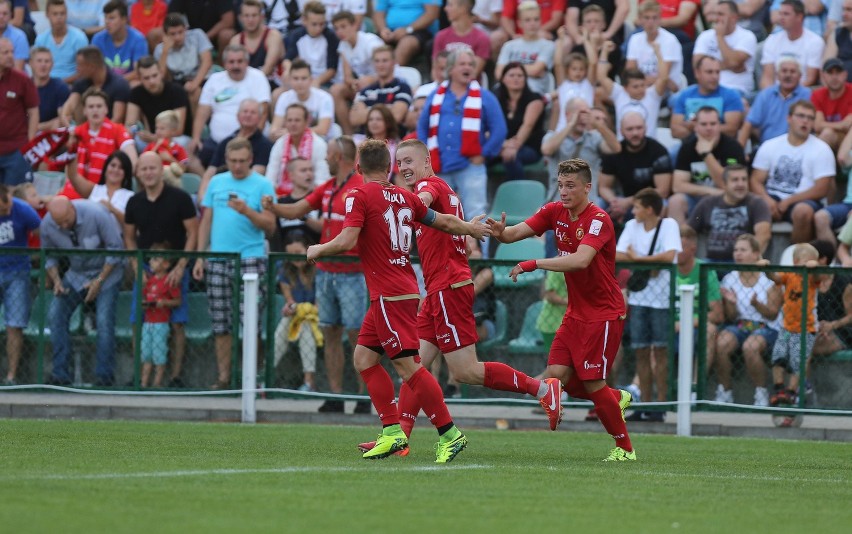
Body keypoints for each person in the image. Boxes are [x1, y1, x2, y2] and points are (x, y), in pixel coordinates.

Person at [356, 139, 563, 456]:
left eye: (410, 161)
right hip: (439, 289)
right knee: (417, 366)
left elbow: (421, 202)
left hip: (449, 288)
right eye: (400, 163)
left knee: (465, 372)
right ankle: (401, 439)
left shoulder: (428, 186)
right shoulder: (444, 190)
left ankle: (541, 388)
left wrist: (393, 202)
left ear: (427, 161)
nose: (405, 168)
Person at [306, 139, 486, 462]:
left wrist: (317, 249)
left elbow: (348, 239)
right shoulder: (404, 195)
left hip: (390, 293)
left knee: (409, 368)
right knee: (363, 358)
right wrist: (470, 229)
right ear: (389, 169)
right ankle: (392, 432)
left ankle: (450, 433)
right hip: (397, 291)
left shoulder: (358, 195)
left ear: (358, 168)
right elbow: (442, 221)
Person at [490, 158, 636, 461]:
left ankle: (624, 448)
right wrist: (500, 232)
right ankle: (616, 398)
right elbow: (514, 234)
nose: (564, 191)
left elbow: (581, 260)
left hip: (604, 312)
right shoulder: (554, 212)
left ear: (587, 187)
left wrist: (534, 263)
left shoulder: (598, 220)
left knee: (593, 382)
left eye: (570, 185)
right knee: (558, 375)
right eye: (560, 185)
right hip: (576, 311)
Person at [261, 136, 368, 414]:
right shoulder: (329, 188)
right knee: (331, 333)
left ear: (338, 157)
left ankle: (364, 396)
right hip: (327, 272)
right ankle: (336, 395)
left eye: (328, 155)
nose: (324, 160)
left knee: (358, 336)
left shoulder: (360, 187)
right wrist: (275, 207)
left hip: (352, 271)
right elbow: (298, 208)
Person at [193, 137, 276, 389]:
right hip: (218, 258)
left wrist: (247, 211)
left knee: (251, 321)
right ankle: (224, 378)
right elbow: (206, 219)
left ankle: (253, 377)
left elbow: (270, 226)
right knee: (220, 322)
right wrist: (200, 255)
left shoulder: (263, 185)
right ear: (226, 160)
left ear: (250, 160)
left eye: (242, 161)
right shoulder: (216, 182)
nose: (237, 166)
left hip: (251, 258)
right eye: (232, 161)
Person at [124, 152, 199, 388]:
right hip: (146, 266)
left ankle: (175, 376)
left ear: (161, 169)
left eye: (152, 168)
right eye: (143, 168)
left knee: (177, 323)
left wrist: (181, 265)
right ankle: (140, 374)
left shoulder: (180, 198)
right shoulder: (134, 202)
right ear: (138, 172)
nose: (148, 173)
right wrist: (137, 267)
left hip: (175, 266)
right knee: (139, 320)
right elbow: (128, 237)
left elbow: (193, 232)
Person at [418, 46, 507, 229]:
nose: (468, 67)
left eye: (470, 64)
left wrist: (484, 154)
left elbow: (499, 130)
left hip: (470, 167)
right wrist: (427, 156)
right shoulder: (435, 96)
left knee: (477, 214)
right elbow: (422, 126)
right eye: (462, 64)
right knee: (438, 216)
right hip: (440, 167)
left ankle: (479, 257)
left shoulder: (484, 96)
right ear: (450, 69)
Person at [41, 197, 124, 386]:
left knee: (103, 321)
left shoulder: (97, 214)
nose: (62, 225)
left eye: (66, 220)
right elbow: (50, 257)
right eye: (58, 222)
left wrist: (99, 281)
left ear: (72, 208)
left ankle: (104, 377)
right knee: (56, 315)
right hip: (76, 273)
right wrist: (56, 280)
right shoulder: (48, 224)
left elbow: (116, 250)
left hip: (107, 273)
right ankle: (61, 374)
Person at [616, 187, 682, 422]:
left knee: (661, 352)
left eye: (637, 207)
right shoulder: (632, 226)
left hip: (662, 300)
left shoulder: (669, 225)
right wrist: (645, 262)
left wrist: (637, 259)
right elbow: (618, 255)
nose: (633, 211)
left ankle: (660, 405)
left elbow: (670, 256)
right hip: (640, 297)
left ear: (649, 209)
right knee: (642, 351)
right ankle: (644, 404)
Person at [750, 100, 835, 244]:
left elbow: (822, 189)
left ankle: (794, 260)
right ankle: (752, 260)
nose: (805, 121)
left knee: (802, 212)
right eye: (801, 116)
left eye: (810, 118)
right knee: (757, 206)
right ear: (789, 118)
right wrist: (767, 200)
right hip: (772, 196)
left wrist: (789, 201)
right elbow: (755, 180)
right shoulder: (770, 145)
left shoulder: (822, 149)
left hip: (805, 199)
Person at [715, 233, 782, 406]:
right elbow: (731, 317)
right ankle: (725, 391)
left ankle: (761, 393)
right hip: (740, 325)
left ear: (756, 253)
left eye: (743, 250)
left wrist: (757, 305)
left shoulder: (768, 279)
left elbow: (773, 314)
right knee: (721, 342)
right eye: (736, 250)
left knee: (750, 347)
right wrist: (731, 303)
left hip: (767, 327)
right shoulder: (730, 278)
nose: (738, 253)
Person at [757, 243, 822, 411]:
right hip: (787, 328)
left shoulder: (812, 278)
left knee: (798, 361)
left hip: (806, 329)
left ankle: (792, 391)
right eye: (805, 261)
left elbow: (817, 275)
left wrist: (814, 265)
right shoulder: (790, 275)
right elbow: (775, 278)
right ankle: (779, 388)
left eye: (812, 261)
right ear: (795, 261)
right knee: (778, 356)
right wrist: (767, 269)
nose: (809, 264)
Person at [189, 44, 271, 168]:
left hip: (250, 143)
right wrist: (196, 137)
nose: (235, 66)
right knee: (190, 156)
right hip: (217, 142)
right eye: (231, 62)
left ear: (247, 62)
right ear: (224, 63)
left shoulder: (257, 77)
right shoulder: (214, 80)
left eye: (240, 61)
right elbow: (203, 111)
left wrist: (252, 140)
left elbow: (263, 111)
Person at [668, 106, 746, 225]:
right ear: (696, 126)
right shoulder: (687, 147)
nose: (709, 128)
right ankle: (682, 240)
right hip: (699, 196)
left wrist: (707, 155)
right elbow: (678, 186)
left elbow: (728, 185)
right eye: (704, 124)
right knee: (675, 201)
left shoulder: (733, 147)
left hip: (726, 199)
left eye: (713, 124)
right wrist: (710, 191)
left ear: (719, 125)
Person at [59, 88, 137, 201]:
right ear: (84, 111)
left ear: (106, 109)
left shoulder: (117, 130)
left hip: (102, 193)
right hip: (74, 190)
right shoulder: (76, 133)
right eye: (91, 107)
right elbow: (69, 164)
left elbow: (132, 160)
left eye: (99, 106)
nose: (95, 110)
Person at [541, 97, 621, 206]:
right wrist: (571, 124)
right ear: (567, 114)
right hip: (559, 203)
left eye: (586, 113)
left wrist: (597, 124)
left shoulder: (594, 138)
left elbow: (616, 148)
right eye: (580, 113)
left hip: (587, 204)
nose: (583, 117)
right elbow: (547, 150)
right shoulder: (553, 136)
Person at [599, 112, 673, 223]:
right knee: (597, 204)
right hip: (620, 199)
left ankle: (651, 238)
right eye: (630, 129)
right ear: (621, 131)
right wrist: (614, 201)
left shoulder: (658, 151)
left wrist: (629, 202)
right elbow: (604, 187)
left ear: (646, 128)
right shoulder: (614, 152)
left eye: (639, 128)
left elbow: (662, 191)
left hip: (649, 200)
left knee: (663, 205)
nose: (635, 133)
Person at [0, 183, 41, 385]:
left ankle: (11, 376)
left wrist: (37, 259)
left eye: (7, 207)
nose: (7, 211)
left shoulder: (22, 209)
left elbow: (43, 233)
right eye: (2, 209)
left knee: (14, 326)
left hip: (17, 273)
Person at [690, 164, 772, 261]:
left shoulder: (757, 203)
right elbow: (688, 230)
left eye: (744, 179)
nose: (741, 184)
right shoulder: (708, 203)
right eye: (735, 180)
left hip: (740, 263)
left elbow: (764, 234)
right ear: (724, 184)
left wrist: (750, 259)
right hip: (711, 261)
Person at [272, 233, 321, 392]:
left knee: (307, 326)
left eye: (299, 253)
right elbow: (290, 300)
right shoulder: (284, 269)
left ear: (308, 249)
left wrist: (307, 311)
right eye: (291, 254)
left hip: (318, 319)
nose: (295, 258)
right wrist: (289, 308)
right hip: (296, 317)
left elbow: (319, 305)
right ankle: (264, 376)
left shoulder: (319, 268)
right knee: (283, 327)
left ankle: (309, 381)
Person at [201, 98, 273, 199]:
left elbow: (256, 175)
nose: (248, 115)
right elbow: (209, 173)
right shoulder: (225, 142)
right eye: (245, 111)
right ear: (238, 116)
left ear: (260, 118)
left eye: (253, 112)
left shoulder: (265, 145)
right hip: (218, 191)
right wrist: (203, 198)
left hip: (245, 195)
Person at [597, 39, 668, 139]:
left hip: (648, 148)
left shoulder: (653, 95)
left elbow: (664, 78)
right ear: (625, 88)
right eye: (635, 86)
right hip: (623, 149)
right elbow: (601, 77)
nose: (640, 89)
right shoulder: (619, 94)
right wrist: (604, 52)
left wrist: (658, 53)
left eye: (642, 85)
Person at [329, 10, 384, 137]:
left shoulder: (370, 42)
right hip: (362, 85)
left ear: (355, 25)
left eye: (343, 26)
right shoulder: (343, 45)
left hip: (382, 83)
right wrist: (354, 83)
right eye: (336, 28)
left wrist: (369, 80)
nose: (339, 32)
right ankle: (348, 135)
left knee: (364, 83)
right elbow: (347, 76)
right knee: (336, 90)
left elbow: (387, 68)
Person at [738, 56, 812, 150]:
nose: (788, 75)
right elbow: (749, 124)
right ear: (777, 75)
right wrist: (738, 154)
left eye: (792, 71)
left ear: (800, 76)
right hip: (767, 148)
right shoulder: (766, 94)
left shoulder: (808, 95)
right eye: (784, 71)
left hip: (798, 148)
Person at [491, 62, 545, 181]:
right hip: (502, 145)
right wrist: (503, 145)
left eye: (520, 76)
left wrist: (513, 146)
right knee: (481, 156)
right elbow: (489, 127)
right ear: (503, 79)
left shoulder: (535, 99)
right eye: (512, 75)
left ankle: (519, 195)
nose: (516, 79)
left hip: (529, 146)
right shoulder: (496, 100)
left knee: (511, 157)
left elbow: (528, 126)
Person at [125, 56, 191, 153]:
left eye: (154, 76)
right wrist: (135, 130)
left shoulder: (176, 91)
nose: (151, 81)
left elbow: (178, 129)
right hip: (151, 138)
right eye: (146, 78)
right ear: (139, 78)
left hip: (176, 139)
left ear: (161, 73)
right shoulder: (136, 93)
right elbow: (129, 123)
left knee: (181, 143)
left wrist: (155, 138)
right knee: (130, 142)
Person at [692, 0, 758, 97]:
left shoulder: (747, 36)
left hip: (735, 89)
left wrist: (720, 37)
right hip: (706, 88)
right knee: (676, 99)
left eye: (721, 14)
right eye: (716, 14)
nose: (716, 18)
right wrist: (732, 66)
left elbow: (733, 62)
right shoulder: (705, 36)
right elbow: (696, 65)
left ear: (734, 18)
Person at [670, 56, 745, 140]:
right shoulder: (685, 95)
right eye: (709, 72)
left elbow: (731, 130)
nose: (715, 76)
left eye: (717, 72)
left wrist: (693, 127)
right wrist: (710, 131)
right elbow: (675, 130)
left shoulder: (731, 95)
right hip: (690, 146)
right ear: (697, 73)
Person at [139, 243, 182, 388]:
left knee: (159, 353)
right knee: (146, 354)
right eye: (151, 259)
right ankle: (144, 383)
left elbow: (177, 301)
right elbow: (143, 298)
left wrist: (164, 303)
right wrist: (145, 303)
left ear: (166, 264)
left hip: (161, 323)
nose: (151, 262)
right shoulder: (149, 281)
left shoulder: (169, 281)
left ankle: (157, 384)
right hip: (148, 322)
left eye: (156, 259)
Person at [267, 103, 330, 196]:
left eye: (297, 120)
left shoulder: (319, 144)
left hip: (311, 197)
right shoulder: (280, 144)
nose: (293, 124)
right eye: (289, 120)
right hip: (282, 196)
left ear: (306, 122)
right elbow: (270, 178)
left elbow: (322, 180)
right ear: (285, 123)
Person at [495, 1, 556, 97]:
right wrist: (530, 71)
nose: (532, 24)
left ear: (541, 21)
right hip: (507, 91)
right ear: (519, 23)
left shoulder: (548, 45)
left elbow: (536, 69)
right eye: (527, 20)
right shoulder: (509, 46)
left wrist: (509, 71)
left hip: (534, 92)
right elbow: (498, 74)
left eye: (536, 19)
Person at [154, 12, 214, 108]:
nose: (177, 37)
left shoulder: (198, 35)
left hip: (201, 78)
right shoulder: (160, 49)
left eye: (180, 32)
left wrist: (195, 83)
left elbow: (207, 62)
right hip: (177, 82)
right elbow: (161, 77)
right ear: (165, 34)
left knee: (195, 92)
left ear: (186, 29)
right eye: (173, 34)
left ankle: (197, 123)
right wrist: (165, 51)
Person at [760, 0, 824, 89]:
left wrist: (788, 93)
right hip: (775, 92)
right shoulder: (772, 40)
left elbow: (810, 79)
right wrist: (771, 95)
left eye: (786, 14)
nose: (781, 18)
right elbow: (767, 77)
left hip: (801, 93)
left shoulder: (815, 41)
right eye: (780, 14)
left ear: (799, 17)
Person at [60, 45, 131, 125]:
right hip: (88, 131)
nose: (77, 69)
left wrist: (99, 135)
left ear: (92, 66)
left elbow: (117, 118)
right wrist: (67, 121)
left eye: (80, 65)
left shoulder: (119, 84)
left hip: (111, 132)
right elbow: (68, 108)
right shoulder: (80, 82)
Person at [348, 46, 412, 134]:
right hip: (365, 139)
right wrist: (387, 109)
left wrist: (367, 111)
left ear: (393, 63)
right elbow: (354, 119)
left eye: (385, 61)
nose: (380, 65)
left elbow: (397, 116)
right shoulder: (365, 91)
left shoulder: (402, 88)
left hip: (392, 140)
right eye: (377, 61)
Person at [625, 0, 685, 94]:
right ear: (640, 19)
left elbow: (663, 78)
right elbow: (630, 71)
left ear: (660, 19)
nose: (651, 22)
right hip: (642, 89)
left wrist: (639, 81)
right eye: (647, 18)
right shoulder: (635, 39)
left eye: (654, 18)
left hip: (667, 91)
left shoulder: (670, 40)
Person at [0, 37, 36, 188]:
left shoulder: (22, 79)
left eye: (12, 52)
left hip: (16, 150)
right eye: (5, 52)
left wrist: (31, 142)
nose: (10, 56)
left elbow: (33, 111)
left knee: (16, 198)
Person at [270, 59, 335, 141]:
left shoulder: (325, 98)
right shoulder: (284, 97)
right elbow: (274, 130)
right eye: (296, 78)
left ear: (311, 80)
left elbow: (323, 130)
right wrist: (278, 134)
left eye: (304, 78)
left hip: (320, 142)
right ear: (290, 80)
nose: (299, 82)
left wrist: (291, 133)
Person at [65, 150, 134, 226]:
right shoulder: (94, 189)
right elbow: (73, 176)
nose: (115, 170)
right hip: (90, 234)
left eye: (121, 168)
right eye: (113, 165)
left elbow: (132, 225)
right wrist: (72, 149)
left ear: (126, 172)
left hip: (116, 236)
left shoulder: (131, 196)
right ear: (106, 168)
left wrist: (114, 210)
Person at [283, 1, 339, 88]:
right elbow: (287, 59)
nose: (319, 28)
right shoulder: (297, 35)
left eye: (322, 24)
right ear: (304, 20)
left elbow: (332, 69)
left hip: (324, 82)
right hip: (303, 78)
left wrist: (317, 81)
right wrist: (288, 70)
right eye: (314, 24)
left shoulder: (330, 36)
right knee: (277, 93)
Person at [231, 0, 284, 89]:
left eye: (254, 15)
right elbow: (233, 69)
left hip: (270, 84)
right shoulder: (236, 40)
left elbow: (268, 68)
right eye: (247, 16)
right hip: (244, 85)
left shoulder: (273, 36)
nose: (250, 20)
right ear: (240, 18)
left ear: (261, 17)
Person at [92, 0, 148, 83]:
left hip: (127, 82)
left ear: (124, 19)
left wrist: (116, 83)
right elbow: (94, 68)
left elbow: (138, 72)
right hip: (104, 83)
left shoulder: (138, 39)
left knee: (136, 84)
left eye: (111, 18)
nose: (107, 22)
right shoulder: (97, 39)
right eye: (105, 17)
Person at [34, 0, 89, 84]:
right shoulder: (41, 39)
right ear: (47, 15)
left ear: (66, 14)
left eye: (62, 13)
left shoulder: (79, 37)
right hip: (46, 84)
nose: (59, 17)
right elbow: (35, 67)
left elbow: (84, 70)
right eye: (55, 14)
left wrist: (60, 84)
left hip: (73, 85)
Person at [373, 0, 441, 66]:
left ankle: (392, 74)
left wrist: (407, 30)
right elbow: (379, 13)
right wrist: (383, 29)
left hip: (418, 30)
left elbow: (431, 14)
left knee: (406, 43)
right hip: (389, 30)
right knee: (373, 42)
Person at [434, 0, 490, 78]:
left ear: (462, 9)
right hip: (443, 87)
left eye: (450, 5)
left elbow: (473, 73)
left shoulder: (481, 38)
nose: (445, 8)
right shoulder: (440, 36)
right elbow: (435, 71)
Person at [272, 157, 321, 247]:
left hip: (313, 257)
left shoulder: (319, 199)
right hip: (287, 258)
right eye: (303, 170)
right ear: (291, 176)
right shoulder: (281, 202)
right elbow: (274, 233)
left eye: (311, 170)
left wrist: (300, 214)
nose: (309, 174)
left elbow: (323, 228)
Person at [811, 58, 852, 152]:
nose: (834, 77)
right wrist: (840, 125)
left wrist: (825, 125)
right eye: (830, 72)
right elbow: (817, 125)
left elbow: (848, 124)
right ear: (823, 75)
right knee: (827, 133)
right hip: (825, 137)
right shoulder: (817, 94)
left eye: (838, 72)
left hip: (848, 138)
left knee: (827, 133)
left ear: (845, 74)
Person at [167, 0, 236, 54]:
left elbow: (228, 21)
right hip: (191, 35)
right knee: (163, 32)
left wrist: (204, 38)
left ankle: (223, 68)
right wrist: (181, 31)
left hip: (214, 36)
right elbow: (171, 16)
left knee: (226, 35)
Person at [143, 111, 188, 188]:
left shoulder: (179, 148)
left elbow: (183, 169)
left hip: (172, 184)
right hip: (153, 181)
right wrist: (156, 147)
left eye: (162, 128)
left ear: (173, 131)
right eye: (157, 128)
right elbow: (143, 163)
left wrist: (170, 159)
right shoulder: (151, 146)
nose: (158, 131)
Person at [30, 47, 70, 133]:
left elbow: (63, 119)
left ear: (52, 64)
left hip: (50, 136)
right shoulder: (23, 86)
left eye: (47, 61)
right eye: (39, 61)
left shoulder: (60, 87)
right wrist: (47, 125)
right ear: (31, 63)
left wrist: (36, 127)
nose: (43, 65)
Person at [0, 0, 27, 71]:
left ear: (10, 15)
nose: (1, 17)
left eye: (5, 14)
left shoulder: (19, 36)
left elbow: (18, 70)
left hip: (13, 80)